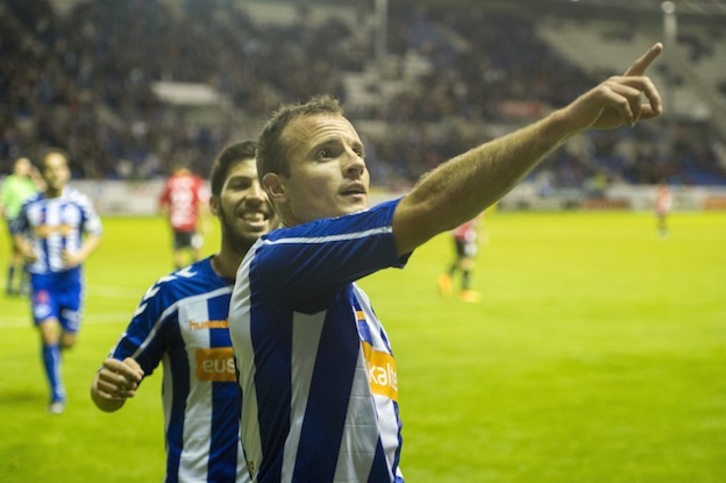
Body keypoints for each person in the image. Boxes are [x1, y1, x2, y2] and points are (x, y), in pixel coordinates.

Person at [228, 43, 664, 482]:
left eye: (357, 151)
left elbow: (369, 443)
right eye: (326, 154)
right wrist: (566, 123)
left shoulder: (351, 297)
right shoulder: (275, 262)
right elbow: (429, 206)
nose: (355, 164)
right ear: (277, 189)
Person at [90, 141, 279, 482]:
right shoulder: (174, 295)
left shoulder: (307, 295)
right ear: (215, 204)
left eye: (264, 185)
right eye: (240, 184)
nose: (255, 195)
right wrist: (106, 388)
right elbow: (109, 388)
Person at [11, 149, 103, 414]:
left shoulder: (78, 202)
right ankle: (57, 393)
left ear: (67, 172)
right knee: (48, 332)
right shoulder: (30, 204)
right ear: (43, 173)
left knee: (67, 341)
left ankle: (55, 355)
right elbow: (15, 229)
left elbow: (96, 233)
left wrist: (79, 255)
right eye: (49, 168)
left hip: (71, 281)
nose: (55, 173)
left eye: (59, 168)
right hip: (41, 279)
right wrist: (23, 248)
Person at [0, 156, 44, 296]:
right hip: (14, 220)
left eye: (26, 166)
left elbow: (43, 190)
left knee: (21, 252)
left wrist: (35, 175)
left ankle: (19, 286)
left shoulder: (30, 183)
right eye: (21, 166)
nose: (23, 169)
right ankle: (16, 286)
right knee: (20, 250)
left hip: (28, 221)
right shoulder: (10, 181)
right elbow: (3, 202)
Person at [159, 162, 210, 269]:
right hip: (192, 223)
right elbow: (201, 202)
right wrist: (205, 221)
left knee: (178, 250)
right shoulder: (195, 181)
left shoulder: (171, 181)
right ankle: (196, 272)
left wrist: (167, 219)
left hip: (176, 223)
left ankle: (179, 274)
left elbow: (163, 206)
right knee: (196, 248)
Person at [438, 214, 485, 303]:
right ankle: (465, 290)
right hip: (465, 235)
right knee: (468, 262)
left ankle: (446, 278)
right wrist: (480, 233)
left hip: (458, 234)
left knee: (461, 259)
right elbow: (477, 219)